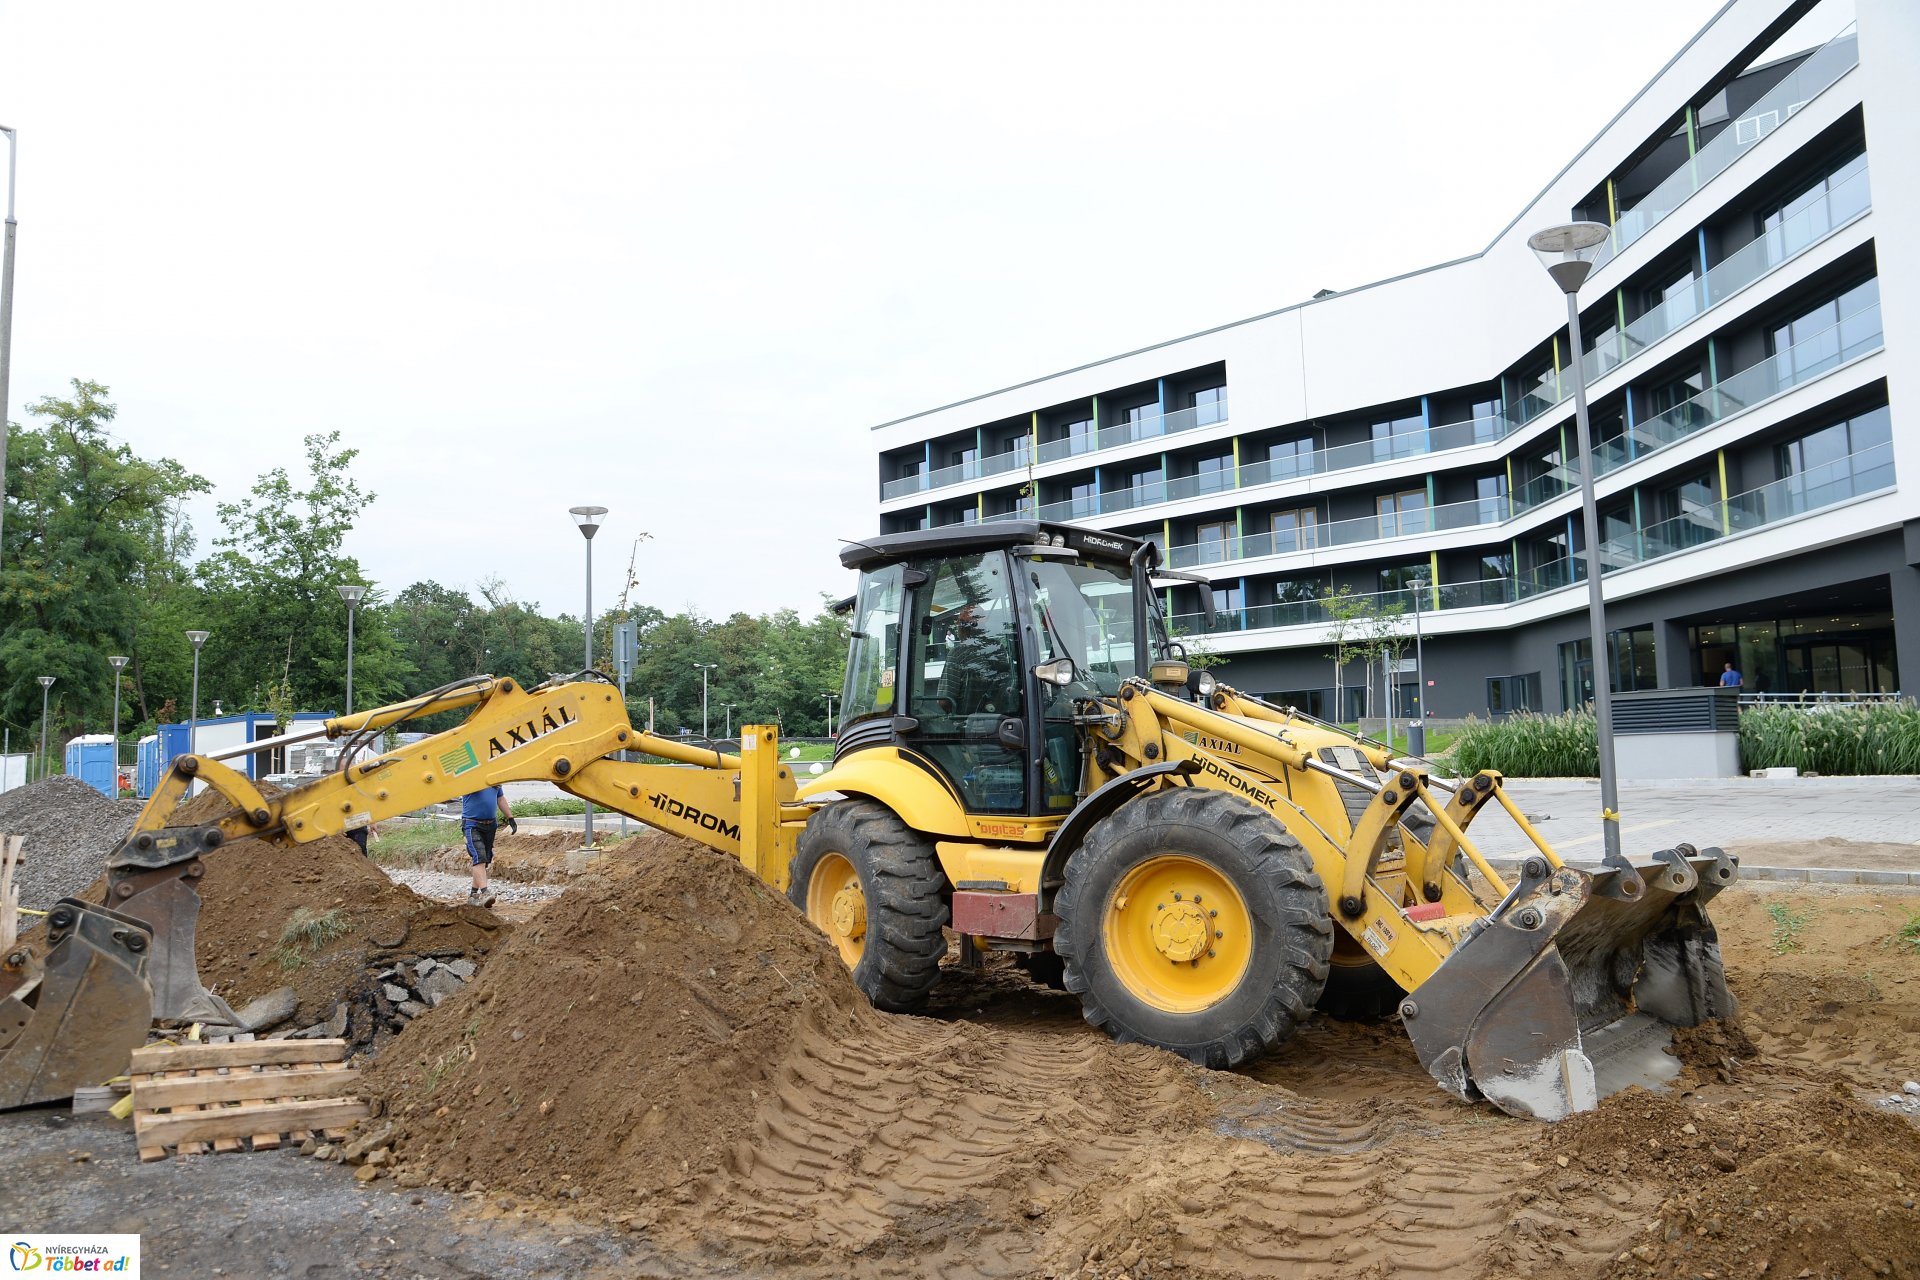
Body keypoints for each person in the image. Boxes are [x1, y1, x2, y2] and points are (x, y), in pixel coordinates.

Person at [938, 602, 1011, 716]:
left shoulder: (957, 653)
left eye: (960, 624)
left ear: (967, 625)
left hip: (969, 722)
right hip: (999, 717)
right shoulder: (997, 647)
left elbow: (944, 700)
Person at [460, 784, 516, 908]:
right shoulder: (471, 779)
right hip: (472, 824)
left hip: (490, 825)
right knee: (479, 857)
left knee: (484, 861)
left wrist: (510, 817)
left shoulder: (494, 781)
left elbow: (500, 798)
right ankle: (485, 892)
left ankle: (473, 895)